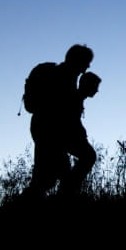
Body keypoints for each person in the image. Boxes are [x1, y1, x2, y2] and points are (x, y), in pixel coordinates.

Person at [25, 44, 94, 198]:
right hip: (50, 131)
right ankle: (61, 200)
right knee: (47, 179)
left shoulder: (67, 77)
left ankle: (61, 198)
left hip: (45, 129)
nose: (86, 68)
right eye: (86, 63)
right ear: (76, 60)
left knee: (46, 178)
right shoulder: (63, 77)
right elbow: (64, 113)